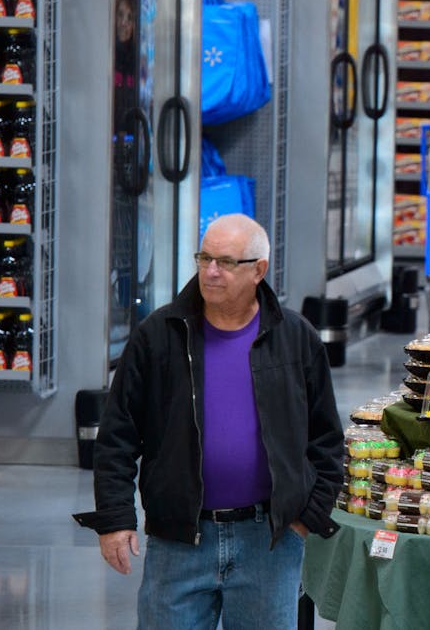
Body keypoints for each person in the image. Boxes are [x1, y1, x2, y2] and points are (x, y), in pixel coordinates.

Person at [73, 214, 344, 629]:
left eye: (225, 262)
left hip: (268, 542)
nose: (211, 271)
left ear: (259, 270)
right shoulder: (158, 335)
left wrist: (307, 516)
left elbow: (326, 438)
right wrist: (115, 518)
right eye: (204, 258)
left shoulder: (295, 337)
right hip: (178, 540)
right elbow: (118, 435)